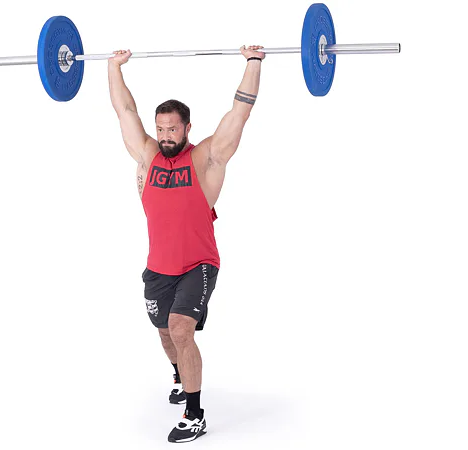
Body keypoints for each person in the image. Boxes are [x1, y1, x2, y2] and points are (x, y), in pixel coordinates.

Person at [107, 44, 264, 443]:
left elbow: (239, 114)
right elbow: (124, 110)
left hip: (198, 263)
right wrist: (114, 67)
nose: (165, 136)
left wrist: (253, 62)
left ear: (187, 128)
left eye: (172, 129)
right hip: (158, 267)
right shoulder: (147, 156)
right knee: (164, 331)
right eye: (160, 129)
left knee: (180, 329)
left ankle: (195, 415)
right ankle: (180, 376)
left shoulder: (206, 159)